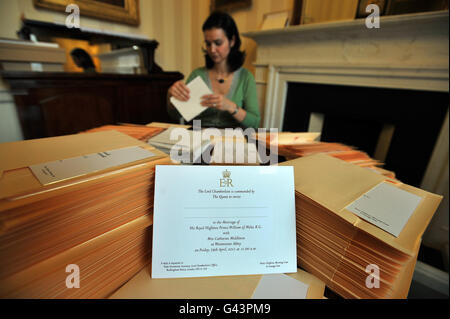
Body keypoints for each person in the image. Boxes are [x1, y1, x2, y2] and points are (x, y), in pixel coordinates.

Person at [167, 11, 260, 129]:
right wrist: (172, 98)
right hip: (199, 138)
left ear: (232, 41)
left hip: (232, 140)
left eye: (218, 43)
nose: (212, 49)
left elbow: (255, 123)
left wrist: (230, 106)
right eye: (208, 44)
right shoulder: (197, 75)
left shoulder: (246, 77)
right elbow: (176, 116)